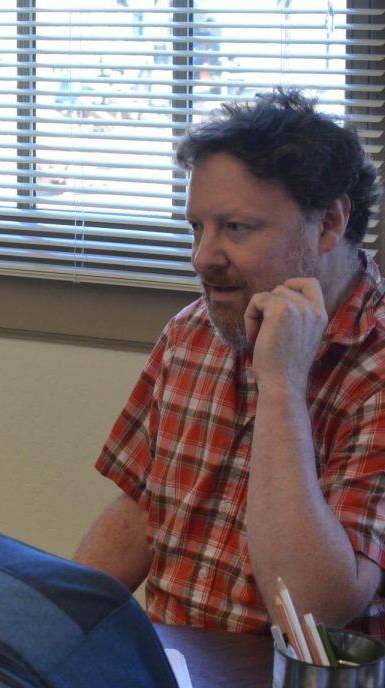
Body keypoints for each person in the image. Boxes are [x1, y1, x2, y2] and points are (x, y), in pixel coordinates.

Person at [75, 87, 385, 637]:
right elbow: (146, 511)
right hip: (171, 667)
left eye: (236, 228)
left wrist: (284, 385)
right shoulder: (194, 330)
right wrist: (35, 632)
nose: (203, 257)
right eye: (198, 227)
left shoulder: (375, 370)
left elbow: (313, 610)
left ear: (331, 223)